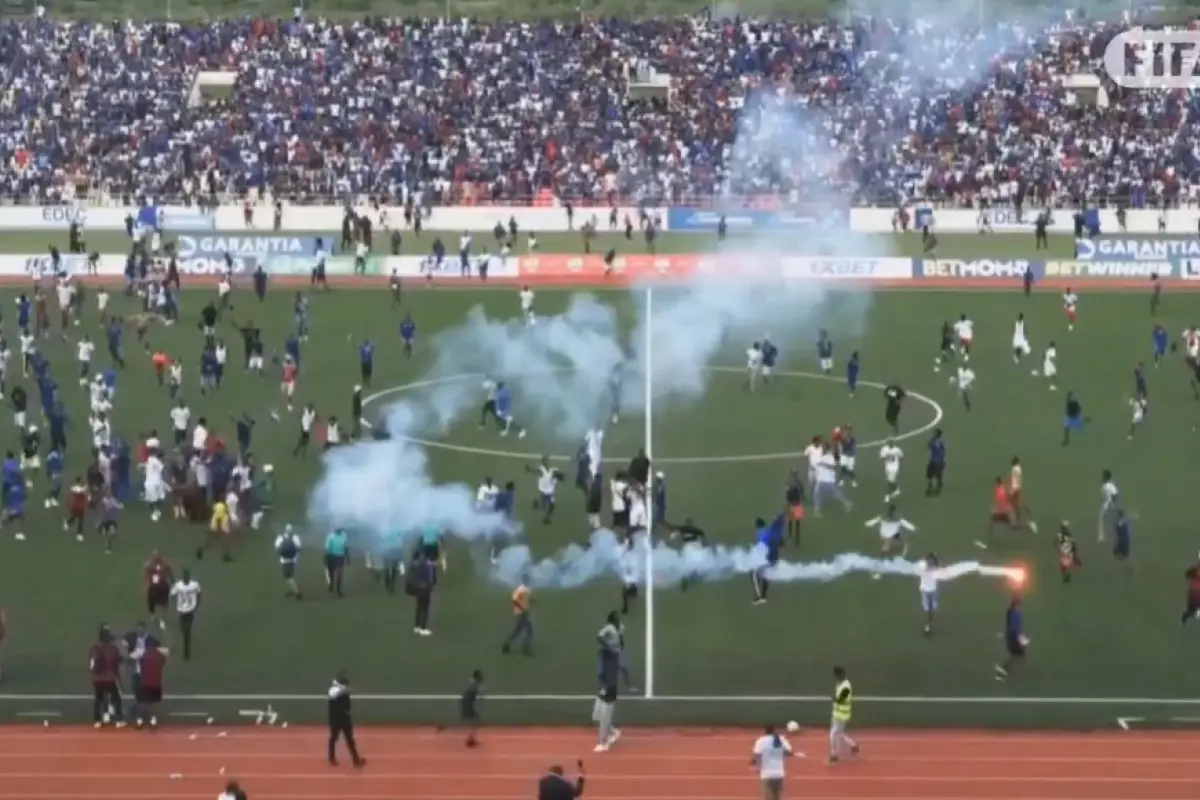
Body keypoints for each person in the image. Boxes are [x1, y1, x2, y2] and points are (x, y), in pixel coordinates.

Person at [327, 672, 366, 768]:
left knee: (343, 739)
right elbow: (341, 696)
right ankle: (334, 758)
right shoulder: (337, 692)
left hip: (340, 718)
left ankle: (354, 760)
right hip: (339, 719)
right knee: (338, 738)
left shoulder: (337, 690)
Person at [89, 624, 123, 727]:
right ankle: (118, 719)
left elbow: (91, 665)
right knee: (116, 698)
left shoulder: (94, 648)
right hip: (110, 678)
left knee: (98, 699)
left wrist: (94, 675)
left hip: (98, 679)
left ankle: (97, 721)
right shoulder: (113, 649)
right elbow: (117, 662)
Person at [751, 724, 795, 800]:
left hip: (766, 774)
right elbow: (789, 752)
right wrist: (780, 752)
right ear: (774, 730)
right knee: (777, 797)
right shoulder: (780, 739)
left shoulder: (761, 741)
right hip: (779, 774)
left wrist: (754, 765)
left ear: (765, 731)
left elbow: (756, 755)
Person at [169, 568, 201, 661]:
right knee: (183, 629)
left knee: (187, 630)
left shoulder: (194, 585)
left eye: (187, 576)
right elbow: (172, 595)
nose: (186, 578)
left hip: (190, 610)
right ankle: (186, 635)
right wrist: (175, 605)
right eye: (184, 576)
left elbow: (199, 594)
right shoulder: (178, 585)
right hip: (181, 610)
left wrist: (196, 606)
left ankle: (186, 651)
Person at [828, 665, 858, 764]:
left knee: (833, 734)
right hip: (836, 713)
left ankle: (834, 754)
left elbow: (841, 700)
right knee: (839, 733)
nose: (836, 677)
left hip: (842, 715)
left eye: (837, 675)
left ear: (841, 674)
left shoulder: (846, 686)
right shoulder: (839, 684)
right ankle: (853, 745)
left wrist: (834, 699)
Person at [133, 642, 167, 728]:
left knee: (142, 702)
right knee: (154, 703)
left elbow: (139, 663)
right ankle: (153, 721)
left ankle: (140, 721)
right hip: (156, 683)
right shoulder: (160, 656)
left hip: (145, 682)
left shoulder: (143, 656)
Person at [407, 549, 436, 636]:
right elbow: (431, 579)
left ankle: (417, 627)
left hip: (416, 588)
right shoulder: (428, 565)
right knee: (425, 608)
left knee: (419, 607)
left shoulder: (413, 565)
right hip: (425, 588)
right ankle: (423, 628)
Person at [501, 581, 533, 655]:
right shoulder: (520, 590)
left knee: (518, 630)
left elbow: (524, 600)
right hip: (521, 613)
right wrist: (522, 609)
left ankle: (506, 645)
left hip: (523, 613)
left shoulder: (525, 590)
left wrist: (531, 600)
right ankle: (526, 649)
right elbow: (514, 600)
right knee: (529, 631)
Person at [460, 669, 484, 748]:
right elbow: (476, 693)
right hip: (468, 704)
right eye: (480, 675)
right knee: (475, 721)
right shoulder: (475, 685)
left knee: (475, 721)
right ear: (477, 676)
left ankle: (471, 738)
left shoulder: (473, 683)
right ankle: (470, 739)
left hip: (467, 703)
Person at [324, 527, 348, 597]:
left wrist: (347, 557)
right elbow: (327, 548)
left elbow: (346, 547)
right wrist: (326, 557)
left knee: (340, 573)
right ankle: (331, 584)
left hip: (340, 556)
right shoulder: (330, 536)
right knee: (331, 572)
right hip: (331, 556)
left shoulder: (344, 535)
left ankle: (338, 590)